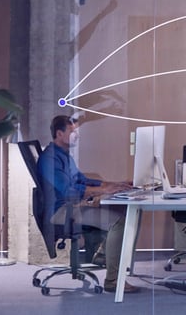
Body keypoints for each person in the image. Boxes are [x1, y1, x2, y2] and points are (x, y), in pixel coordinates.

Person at [37, 115, 141, 294]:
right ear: (59, 133)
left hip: (71, 206)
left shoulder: (63, 155)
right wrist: (103, 190)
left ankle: (102, 256)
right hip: (61, 211)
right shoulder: (50, 158)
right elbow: (68, 191)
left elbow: (81, 180)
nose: (76, 135)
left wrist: (110, 184)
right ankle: (113, 281)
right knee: (118, 222)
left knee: (124, 210)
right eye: (72, 131)